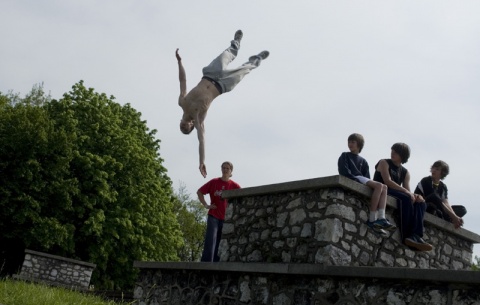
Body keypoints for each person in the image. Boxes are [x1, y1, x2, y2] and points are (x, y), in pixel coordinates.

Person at [176, 30, 269, 178]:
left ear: (180, 121)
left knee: (227, 54)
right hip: (222, 85)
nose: (183, 128)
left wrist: (179, 62)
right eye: (186, 130)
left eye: (181, 128)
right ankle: (257, 59)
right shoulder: (198, 118)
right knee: (245, 70)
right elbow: (201, 140)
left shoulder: (182, 102)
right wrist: (201, 162)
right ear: (191, 126)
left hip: (210, 74)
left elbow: (183, 81)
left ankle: (236, 43)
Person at [373, 143, 433, 252]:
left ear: (403, 155)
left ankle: (416, 235)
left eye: (396, 152)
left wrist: (416, 196)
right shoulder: (384, 162)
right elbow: (387, 182)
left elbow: (407, 190)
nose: (392, 153)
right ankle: (407, 236)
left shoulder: (405, 172)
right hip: (383, 190)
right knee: (405, 198)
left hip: (397, 192)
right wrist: (407, 192)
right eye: (392, 150)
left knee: (421, 203)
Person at [338, 133, 395, 237]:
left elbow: (367, 177)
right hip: (355, 178)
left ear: (359, 144)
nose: (350, 144)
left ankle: (381, 217)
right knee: (379, 186)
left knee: (384, 187)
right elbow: (344, 171)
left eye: (353, 142)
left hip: (361, 179)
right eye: (349, 142)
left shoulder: (363, 161)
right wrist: (355, 179)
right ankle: (373, 218)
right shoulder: (345, 155)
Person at [197, 161, 241, 262]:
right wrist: (206, 205)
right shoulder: (214, 182)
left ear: (231, 171)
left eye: (227, 168)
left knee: (220, 242)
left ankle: (216, 263)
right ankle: (206, 264)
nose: (225, 170)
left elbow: (242, 198)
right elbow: (200, 192)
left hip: (226, 218)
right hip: (214, 216)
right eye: (224, 168)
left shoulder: (234, 186)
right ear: (221, 169)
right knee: (211, 240)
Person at [414, 160, 466, 229]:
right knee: (435, 196)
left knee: (462, 209)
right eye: (433, 168)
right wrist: (454, 217)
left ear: (442, 173)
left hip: (438, 209)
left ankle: (449, 218)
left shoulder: (443, 186)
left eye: (437, 169)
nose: (434, 170)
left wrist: (454, 216)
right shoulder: (426, 180)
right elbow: (434, 199)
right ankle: (448, 218)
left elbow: (446, 203)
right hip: (424, 205)